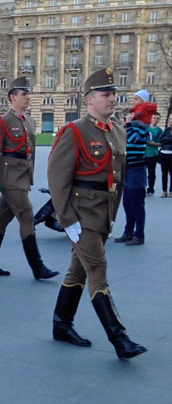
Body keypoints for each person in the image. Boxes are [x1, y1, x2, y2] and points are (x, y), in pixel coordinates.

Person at [47, 67, 147, 359]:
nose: (112, 98)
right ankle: (119, 338)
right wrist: (67, 220)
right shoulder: (74, 130)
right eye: (105, 94)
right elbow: (57, 179)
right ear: (89, 99)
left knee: (78, 270)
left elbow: (118, 176)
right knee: (97, 269)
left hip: (103, 213)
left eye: (113, 93)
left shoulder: (117, 130)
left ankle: (61, 324)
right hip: (81, 215)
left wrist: (113, 214)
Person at [0, 76, 57, 279]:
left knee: (1, 220)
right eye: (24, 94)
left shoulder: (29, 121)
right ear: (12, 97)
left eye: (28, 93)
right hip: (9, 178)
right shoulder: (2, 122)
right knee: (26, 215)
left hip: (22, 176)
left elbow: (30, 151)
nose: (28, 97)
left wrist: (29, 174)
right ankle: (37, 267)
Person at [113, 92, 154, 246]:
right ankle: (128, 232)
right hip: (128, 170)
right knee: (127, 204)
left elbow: (132, 140)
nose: (121, 121)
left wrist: (129, 125)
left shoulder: (141, 127)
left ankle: (139, 235)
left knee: (137, 206)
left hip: (136, 170)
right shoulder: (130, 127)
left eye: (122, 119)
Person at [144, 112, 163, 196]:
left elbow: (161, 143)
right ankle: (141, 188)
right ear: (151, 119)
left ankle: (150, 189)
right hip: (142, 154)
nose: (155, 119)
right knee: (141, 172)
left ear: (159, 120)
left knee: (151, 173)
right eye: (154, 118)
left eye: (157, 118)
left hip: (153, 155)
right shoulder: (145, 128)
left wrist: (154, 144)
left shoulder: (160, 131)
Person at [159, 116, 172, 197]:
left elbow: (165, 140)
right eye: (170, 118)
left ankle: (171, 191)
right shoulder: (167, 130)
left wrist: (166, 139)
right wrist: (169, 139)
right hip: (164, 153)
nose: (171, 120)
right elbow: (161, 140)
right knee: (164, 173)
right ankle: (164, 191)